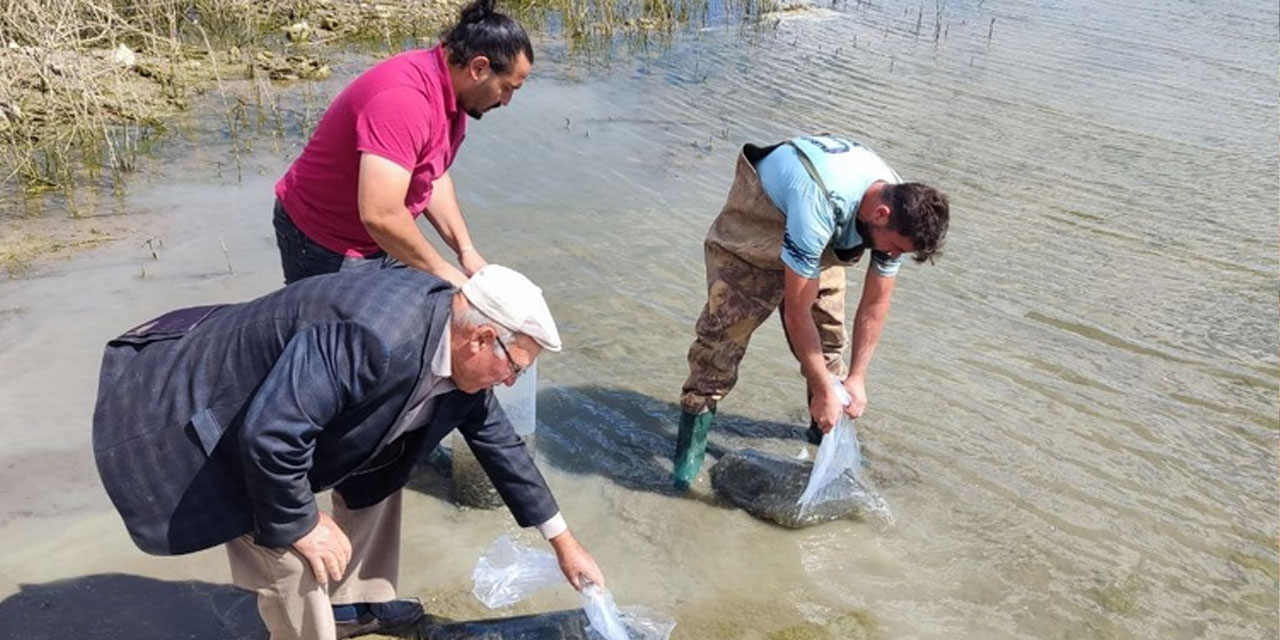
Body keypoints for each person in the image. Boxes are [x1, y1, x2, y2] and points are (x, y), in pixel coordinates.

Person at [92, 266, 603, 640]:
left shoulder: (456, 347)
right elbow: (269, 435)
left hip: (277, 416)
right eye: (515, 366)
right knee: (292, 557)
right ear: (482, 337)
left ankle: (357, 605)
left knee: (386, 471)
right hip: (210, 415)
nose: (514, 379)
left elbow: (501, 446)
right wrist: (304, 523)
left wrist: (564, 543)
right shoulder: (373, 336)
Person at [672, 134, 950, 491]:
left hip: (819, 238)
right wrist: (822, 388)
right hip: (758, 224)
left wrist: (858, 378)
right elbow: (796, 312)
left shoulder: (899, 210)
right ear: (881, 215)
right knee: (720, 343)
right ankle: (688, 457)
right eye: (895, 248)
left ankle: (824, 436)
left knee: (830, 344)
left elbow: (876, 304)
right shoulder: (818, 202)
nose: (894, 256)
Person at [272, 0, 532, 286]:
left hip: (376, 238)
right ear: (479, 68)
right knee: (335, 329)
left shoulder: (454, 94)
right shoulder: (405, 100)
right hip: (323, 239)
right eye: (507, 88)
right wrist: (446, 274)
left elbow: (431, 173)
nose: (506, 101)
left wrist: (465, 251)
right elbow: (380, 215)